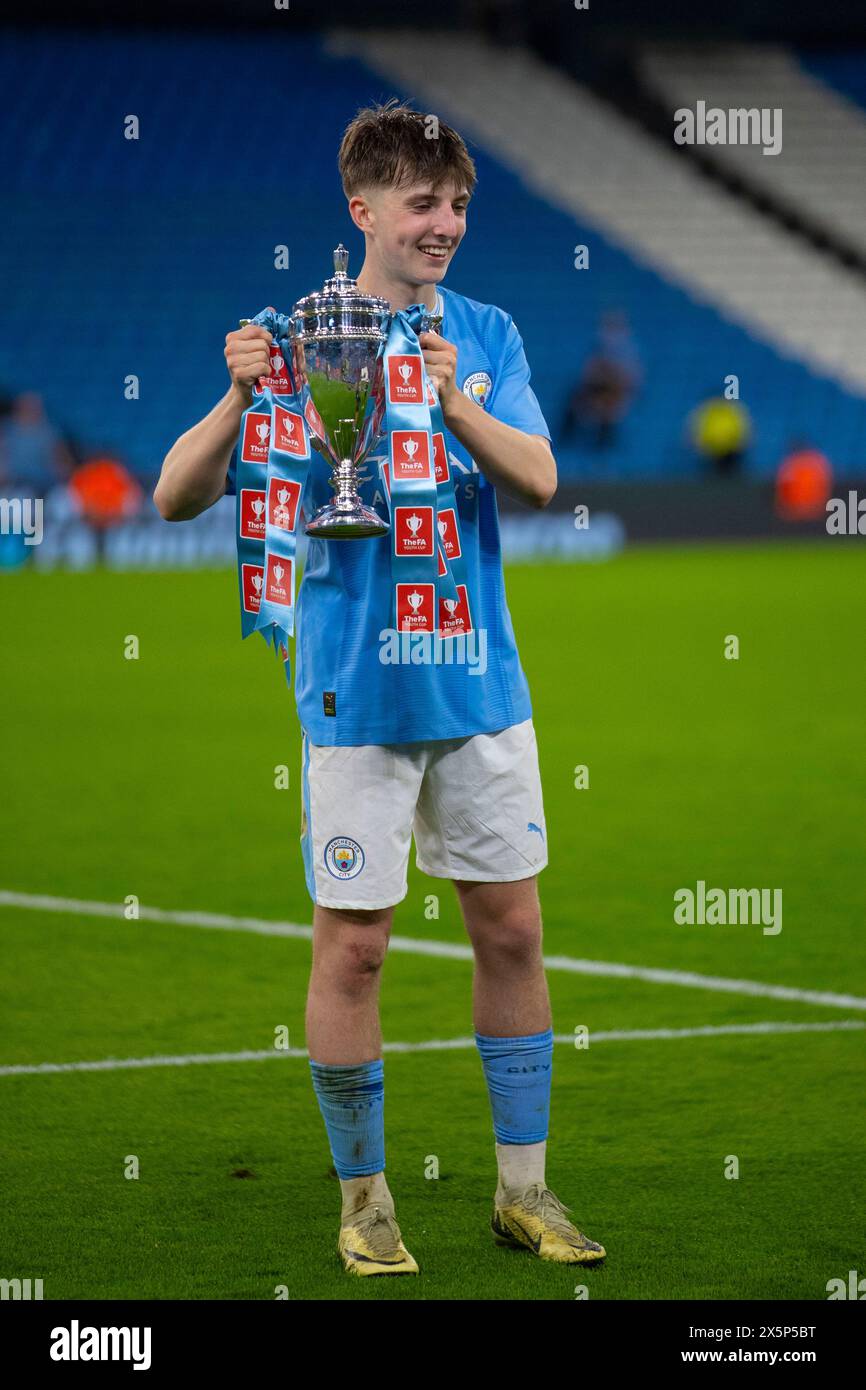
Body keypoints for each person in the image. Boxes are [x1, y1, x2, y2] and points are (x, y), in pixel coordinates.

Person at [154, 99, 605, 1278]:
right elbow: (171, 496)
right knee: (352, 951)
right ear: (362, 210)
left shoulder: (487, 332)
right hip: (355, 690)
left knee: (511, 927)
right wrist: (238, 395)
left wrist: (457, 400)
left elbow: (542, 477)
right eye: (422, 203)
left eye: (456, 204)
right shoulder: (293, 334)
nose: (444, 222)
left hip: (478, 683)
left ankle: (523, 1190)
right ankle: (364, 1200)